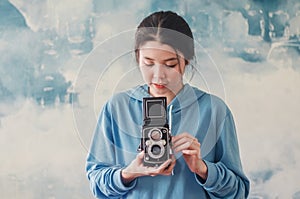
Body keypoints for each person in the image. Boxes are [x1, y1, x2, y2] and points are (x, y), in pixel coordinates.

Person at [86, 10, 250, 198]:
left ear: (186, 60)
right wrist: (130, 172)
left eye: (170, 64)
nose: (158, 75)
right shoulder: (117, 107)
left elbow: (238, 192)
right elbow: (97, 183)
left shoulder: (214, 110)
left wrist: (203, 169)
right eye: (148, 63)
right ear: (137, 57)